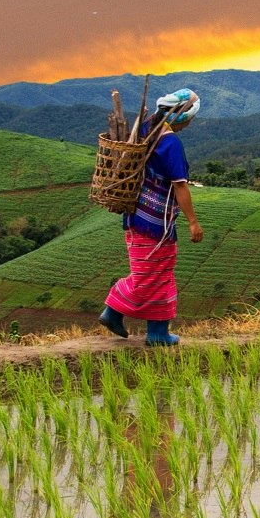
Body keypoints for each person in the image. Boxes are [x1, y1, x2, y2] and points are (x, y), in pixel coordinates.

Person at [102, 89, 202, 345]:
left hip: (134, 215)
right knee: (152, 275)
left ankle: (139, 324)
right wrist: (193, 221)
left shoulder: (145, 128)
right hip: (155, 222)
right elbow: (180, 185)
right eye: (190, 119)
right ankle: (131, 320)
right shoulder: (169, 143)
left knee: (156, 273)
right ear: (182, 117)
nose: (190, 124)